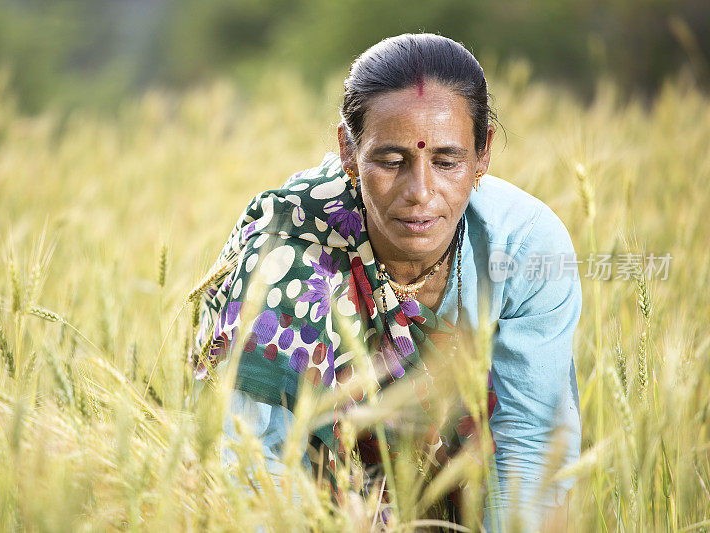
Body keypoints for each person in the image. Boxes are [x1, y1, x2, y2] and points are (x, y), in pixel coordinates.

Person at [192, 33, 582, 531]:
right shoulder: (286, 251)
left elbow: (531, 443)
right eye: (390, 161)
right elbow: (249, 461)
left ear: (482, 152)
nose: (420, 192)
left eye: (447, 161)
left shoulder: (525, 247)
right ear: (348, 151)